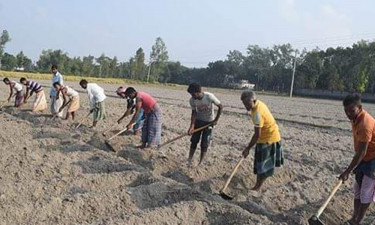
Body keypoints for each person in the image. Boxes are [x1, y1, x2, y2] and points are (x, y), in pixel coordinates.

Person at [339, 94, 375, 225]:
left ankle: (358, 221)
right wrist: (354, 168)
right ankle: (354, 217)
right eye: (346, 111)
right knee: (357, 188)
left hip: (372, 158)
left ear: (360, 108)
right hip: (365, 157)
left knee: (366, 190)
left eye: (351, 111)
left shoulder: (365, 124)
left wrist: (347, 171)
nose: (348, 114)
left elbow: (361, 152)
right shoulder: (355, 119)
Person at [241, 91, 283, 191]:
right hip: (265, 137)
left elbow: (257, 134)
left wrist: (247, 148)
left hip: (269, 138)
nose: (246, 106)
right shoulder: (258, 103)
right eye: (244, 103)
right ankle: (257, 185)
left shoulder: (257, 113)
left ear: (253, 101)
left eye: (247, 103)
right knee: (260, 165)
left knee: (263, 166)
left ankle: (257, 187)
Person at [187, 83, 223, 166]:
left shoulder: (209, 96)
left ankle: (201, 162)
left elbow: (220, 106)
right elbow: (194, 113)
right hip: (198, 122)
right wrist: (192, 126)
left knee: (204, 143)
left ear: (198, 92)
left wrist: (216, 120)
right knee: (194, 141)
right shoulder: (192, 100)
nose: (192, 96)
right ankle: (189, 159)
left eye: (193, 94)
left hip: (209, 123)